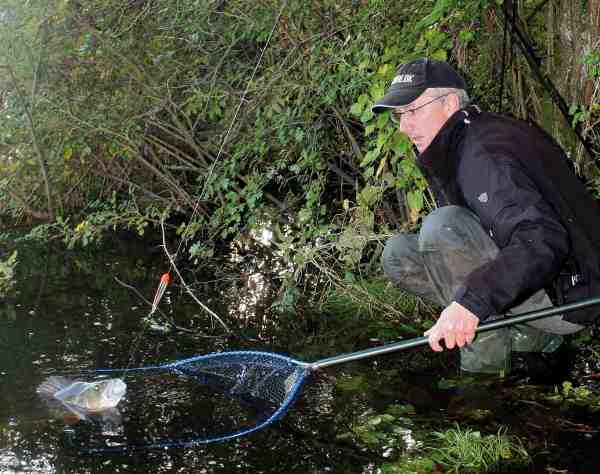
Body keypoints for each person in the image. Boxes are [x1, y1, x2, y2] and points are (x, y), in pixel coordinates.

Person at [372, 58, 600, 374]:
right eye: (399, 115)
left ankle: (484, 374)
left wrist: (471, 302)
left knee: (442, 229)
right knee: (398, 255)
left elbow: (543, 239)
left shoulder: (483, 153)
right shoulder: (464, 137)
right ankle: (524, 334)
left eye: (412, 111)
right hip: (541, 278)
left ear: (450, 102)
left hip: (569, 294)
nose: (403, 126)